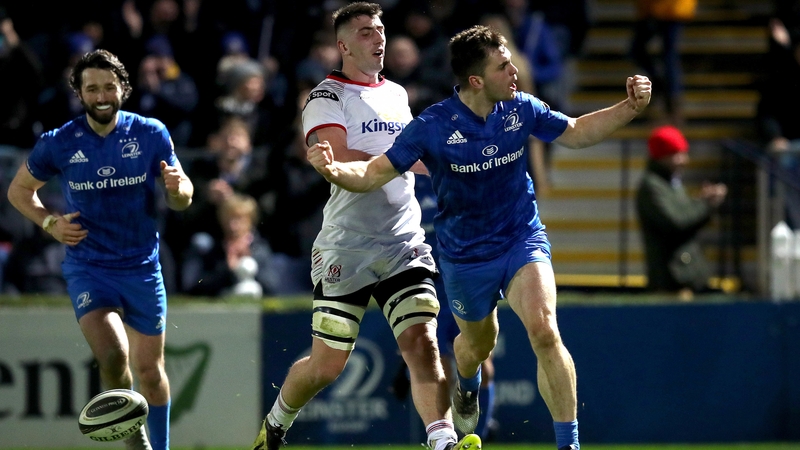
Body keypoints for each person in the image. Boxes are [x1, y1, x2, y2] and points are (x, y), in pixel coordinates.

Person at [307, 25, 652, 450]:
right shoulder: (433, 126)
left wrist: (629, 108)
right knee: (475, 346)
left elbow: (576, 131)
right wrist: (334, 170)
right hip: (465, 258)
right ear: (476, 80)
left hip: (520, 238)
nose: (514, 72)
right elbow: (374, 172)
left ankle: (569, 444)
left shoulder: (521, 108)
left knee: (545, 330)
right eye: (503, 66)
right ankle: (467, 383)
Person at [251, 4, 480, 450]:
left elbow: (410, 153)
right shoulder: (325, 97)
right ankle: (277, 424)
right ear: (342, 45)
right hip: (347, 246)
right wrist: (421, 162)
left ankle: (442, 440)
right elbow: (340, 158)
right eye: (364, 32)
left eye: (379, 29)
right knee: (327, 365)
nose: (377, 38)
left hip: (403, 241)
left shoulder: (397, 94)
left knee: (423, 342)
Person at [6, 49, 194, 450]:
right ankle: (132, 438)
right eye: (92, 88)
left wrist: (179, 193)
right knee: (113, 356)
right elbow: (19, 191)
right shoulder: (58, 142)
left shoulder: (150, 133)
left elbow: (182, 195)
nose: (102, 95)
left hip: (142, 266)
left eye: (109, 86)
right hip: (88, 266)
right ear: (79, 93)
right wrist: (49, 223)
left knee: (150, 369)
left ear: (123, 88)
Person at [635, 125, 727, 298]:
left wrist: (701, 202)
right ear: (662, 156)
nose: (684, 160)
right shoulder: (652, 187)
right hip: (673, 281)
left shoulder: (670, 183)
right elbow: (677, 222)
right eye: (678, 154)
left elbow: (684, 215)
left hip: (686, 277)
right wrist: (706, 204)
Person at [629, 0, 697, 125]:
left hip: (669, 8)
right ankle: (666, 93)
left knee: (668, 57)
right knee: (645, 52)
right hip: (661, 9)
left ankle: (671, 101)